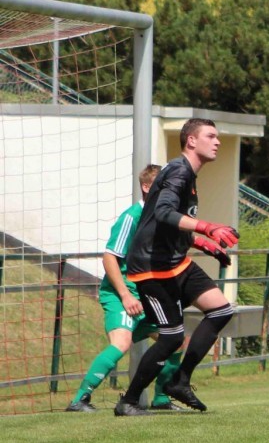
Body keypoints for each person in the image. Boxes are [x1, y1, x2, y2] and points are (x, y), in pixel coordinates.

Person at [113, 119, 239, 416]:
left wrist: (199, 243)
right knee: (171, 337)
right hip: (153, 269)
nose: (217, 141)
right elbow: (164, 213)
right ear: (191, 141)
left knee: (221, 309)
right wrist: (208, 228)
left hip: (176, 262)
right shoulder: (179, 171)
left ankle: (180, 381)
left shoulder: (186, 173)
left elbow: (168, 225)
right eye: (211, 136)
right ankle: (128, 401)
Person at [66, 165, 187, 413]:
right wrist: (125, 295)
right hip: (122, 294)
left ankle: (162, 398)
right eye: (163, 186)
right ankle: (80, 399)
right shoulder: (132, 217)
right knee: (121, 343)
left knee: (176, 340)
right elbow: (109, 257)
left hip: (147, 294)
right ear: (146, 187)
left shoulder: (162, 219)